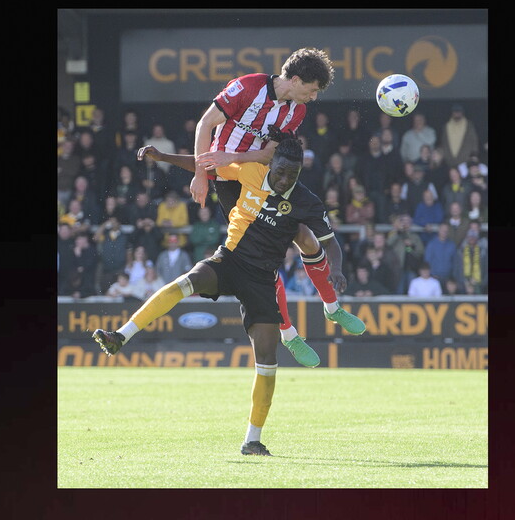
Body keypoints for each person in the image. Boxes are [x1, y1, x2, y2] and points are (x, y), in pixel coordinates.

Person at [93, 137, 353, 456]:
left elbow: (330, 243)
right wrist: (161, 156)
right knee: (186, 283)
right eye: (281, 172)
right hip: (229, 260)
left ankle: (252, 440)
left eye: (293, 175)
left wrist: (336, 270)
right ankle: (121, 335)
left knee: (267, 362)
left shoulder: (306, 201)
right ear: (271, 164)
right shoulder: (250, 171)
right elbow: (203, 162)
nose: (285, 180)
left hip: (261, 281)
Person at [184, 47, 366, 340]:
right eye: (312, 89)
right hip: (230, 182)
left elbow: (270, 154)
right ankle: (288, 333)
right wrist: (200, 174)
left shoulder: (298, 110)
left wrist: (232, 156)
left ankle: (332, 307)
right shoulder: (247, 87)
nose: (314, 96)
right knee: (260, 257)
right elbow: (205, 124)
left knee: (306, 237)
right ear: (295, 79)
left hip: (263, 176)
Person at [93, 215, 129, 294]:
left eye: (114, 222)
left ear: (119, 223)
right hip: (107, 268)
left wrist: (128, 263)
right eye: (111, 222)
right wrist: (104, 225)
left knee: (119, 289)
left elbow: (128, 251)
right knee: (105, 288)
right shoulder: (105, 235)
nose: (112, 224)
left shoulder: (124, 236)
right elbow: (95, 238)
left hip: (120, 267)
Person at [437, 104, 480, 170]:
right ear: (452, 113)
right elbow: (443, 142)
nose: (457, 113)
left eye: (459, 112)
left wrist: (474, 155)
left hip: (465, 161)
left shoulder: (469, 125)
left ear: (462, 113)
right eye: (455, 112)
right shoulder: (446, 126)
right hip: (449, 161)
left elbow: (474, 141)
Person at [452, 228, 487, 295]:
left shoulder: (483, 252)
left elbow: (486, 269)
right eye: (470, 237)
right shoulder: (460, 251)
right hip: (463, 285)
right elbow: (456, 268)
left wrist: (482, 283)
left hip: (479, 286)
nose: (472, 239)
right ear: (467, 238)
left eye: (474, 237)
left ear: (477, 238)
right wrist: (463, 282)